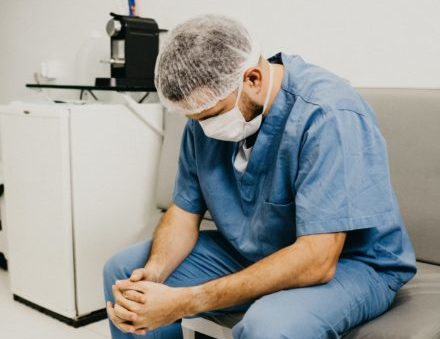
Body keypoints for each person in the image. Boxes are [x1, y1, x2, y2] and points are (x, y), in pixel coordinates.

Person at [103, 14, 416, 339]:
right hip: (257, 247)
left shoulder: (328, 115)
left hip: (351, 262)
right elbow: (184, 211)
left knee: (269, 327)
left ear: (252, 78)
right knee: (127, 276)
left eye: (210, 116)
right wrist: (154, 275)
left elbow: (318, 260)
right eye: (195, 119)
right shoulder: (206, 116)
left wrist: (185, 301)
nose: (204, 127)